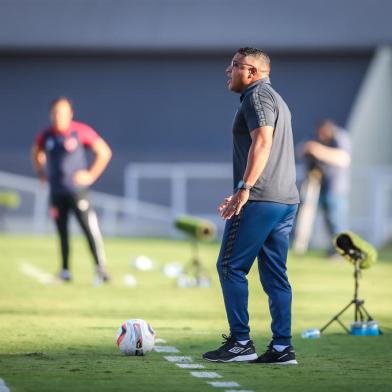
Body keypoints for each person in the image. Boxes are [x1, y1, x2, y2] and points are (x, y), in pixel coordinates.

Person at [202, 48, 299, 364]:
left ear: (253, 72)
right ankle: (283, 348)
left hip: (259, 198)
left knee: (230, 266)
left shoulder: (257, 97)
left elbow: (263, 141)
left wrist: (244, 188)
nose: (227, 71)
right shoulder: (275, 98)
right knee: (275, 276)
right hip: (284, 199)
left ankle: (240, 342)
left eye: (234, 65)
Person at [32, 97, 112, 283]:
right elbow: (36, 152)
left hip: (78, 192)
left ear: (70, 114)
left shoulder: (80, 131)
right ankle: (65, 271)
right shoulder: (46, 136)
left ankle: (100, 269)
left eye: (62, 112)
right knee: (62, 232)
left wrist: (91, 175)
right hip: (56, 192)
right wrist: (41, 173)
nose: (58, 116)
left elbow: (104, 152)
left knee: (89, 229)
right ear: (51, 114)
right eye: (55, 113)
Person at [303, 120, 351, 256]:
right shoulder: (321, 139)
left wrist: (317, 150)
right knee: (329, 221)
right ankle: (335, 250)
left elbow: (344, 158)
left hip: (337, 188)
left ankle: (343, 251)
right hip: (323, 186)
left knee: (337, 221)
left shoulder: (340, 137)